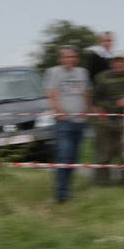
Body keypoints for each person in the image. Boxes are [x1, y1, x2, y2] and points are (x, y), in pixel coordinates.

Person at [44, 45, 91, 203]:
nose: (69, 59)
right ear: (60, 59)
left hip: (80, 122)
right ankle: (61, 194)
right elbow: (52, 94)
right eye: (66, 57)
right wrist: (58, 112)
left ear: (76, 58)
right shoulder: (54, 72)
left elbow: (86, 93)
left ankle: (66, 190)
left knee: (73, 158)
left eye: (72, 56)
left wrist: (87, 111)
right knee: (64, 156)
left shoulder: (82, 72)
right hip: (64, 122)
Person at [91, 54, 124, 184]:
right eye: (116, 61)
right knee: (104, 152)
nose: (119, 64)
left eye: (122, 61)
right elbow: (95, 99)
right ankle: (102, 182)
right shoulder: (102, 77)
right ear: (111, 63)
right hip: (106, 118)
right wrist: (102, 117)